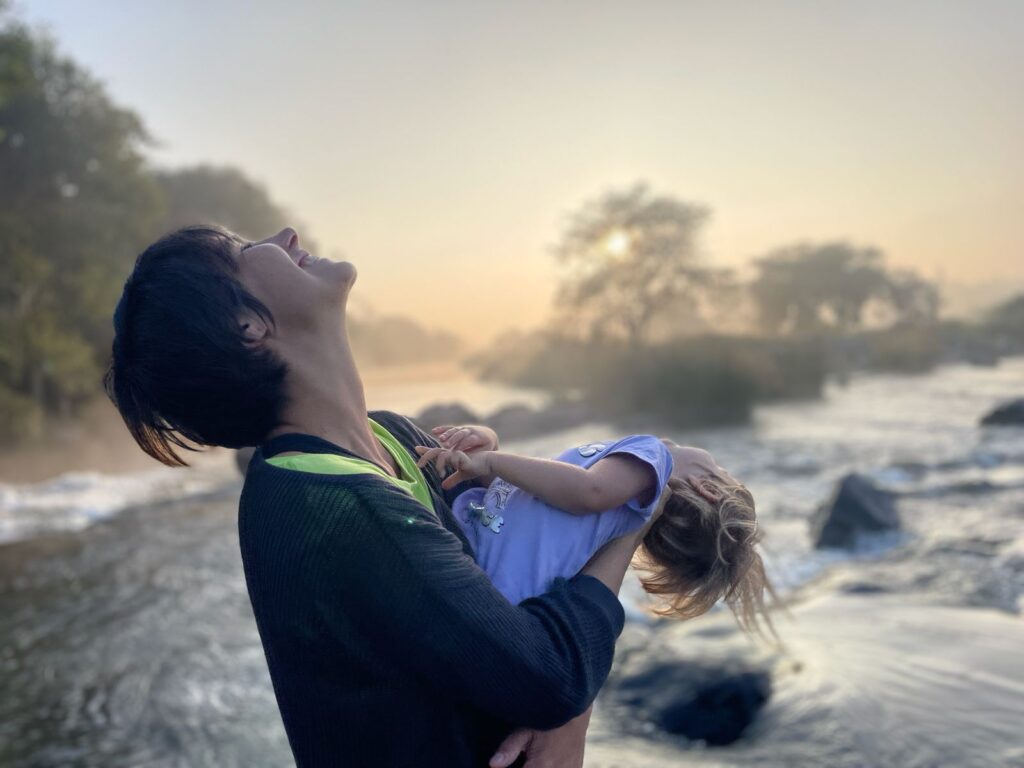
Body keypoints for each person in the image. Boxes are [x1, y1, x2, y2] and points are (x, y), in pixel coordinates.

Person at [102, 224, 646, 768]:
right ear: (248, 327)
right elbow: (549, 677)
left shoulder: (393, 439)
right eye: (244, 251)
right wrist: (635, 510)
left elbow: (519, 566)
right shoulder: (336, 507)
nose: (285, 236)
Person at [415, 426, 772, 634]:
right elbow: (525, 508)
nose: (718, 461)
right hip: (492, 598)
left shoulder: (652, 459)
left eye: (723, 469)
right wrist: (488, 444)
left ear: (704, 486)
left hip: (463, 567)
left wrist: (491, 459)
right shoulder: (616, 522)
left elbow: (588, 490)